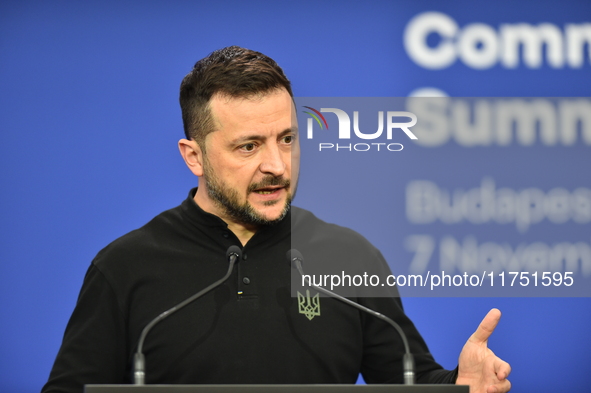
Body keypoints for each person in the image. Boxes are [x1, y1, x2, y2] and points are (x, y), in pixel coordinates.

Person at [42, 46, 511, 393]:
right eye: (249, 146)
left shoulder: (346, 256)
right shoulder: (126, 267)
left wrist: (458, 385)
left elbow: (408, 378)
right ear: (195, 156)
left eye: (287, 139)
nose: (277, 166)